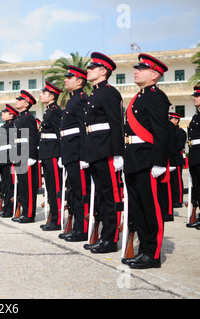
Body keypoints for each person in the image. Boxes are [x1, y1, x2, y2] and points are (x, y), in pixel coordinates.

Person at [122, 54, 171, 269]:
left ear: (153, 75)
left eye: (141, 68)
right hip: (133, 157)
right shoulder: (139, 97)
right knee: (138, 208)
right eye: (137, 68)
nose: (136, 71)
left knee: (150, 208)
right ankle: (143, 250)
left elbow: (162, 131)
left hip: (147, 159)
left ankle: (153, 254)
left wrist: (159, 162)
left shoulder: (156, 97)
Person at [83, 52, 124, 253]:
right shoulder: (95, 93)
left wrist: (118, 153)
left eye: (92, 68)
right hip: (94, 150)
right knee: (100, 196)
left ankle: (111, 238)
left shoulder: (109, 92)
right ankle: (104, 236)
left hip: (106, 150)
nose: (88, 70)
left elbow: (116, 124)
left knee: (110, 196)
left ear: (103, 71)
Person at [58, 66, 91, 242]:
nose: (65, 80)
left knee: (81, 192)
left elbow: (83, 129)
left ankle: (83, 228)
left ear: (79, 81)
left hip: (78, 152)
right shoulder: (72, 99)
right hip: (70, 151)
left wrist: (84, 156)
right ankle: (77, 227)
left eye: (69, 77)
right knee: (73, 192)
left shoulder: (81, 99)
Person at [38, 81, 63, 231]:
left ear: (52, 96)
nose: (41, 95)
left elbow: (60, 134)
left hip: (53, 153)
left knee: (55, 187)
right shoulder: (49, 110)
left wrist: (61, 154)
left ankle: (57, 219)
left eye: (44, 93)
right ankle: (53, 217)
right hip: (47, 153)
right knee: (49, 187)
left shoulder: (55, 111)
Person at [12, 90, 39, 223]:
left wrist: (32, 155)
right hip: (19, 153)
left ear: (26, 103)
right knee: (22, 185)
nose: (17, 101)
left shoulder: (28, 117)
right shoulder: (19, 117)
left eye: (20, 99)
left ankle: (29, 214)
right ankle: (24, 212)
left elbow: (32, 137)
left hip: (26, 153)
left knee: (28, 186)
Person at [0, 104, 19, 218]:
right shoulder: (4, 126)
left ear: (11, 114)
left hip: (9, 158)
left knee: (9, 185)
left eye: (5, 112)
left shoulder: (12, 126)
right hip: (2, 158)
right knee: (4, 185)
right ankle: (5, 207)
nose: (2, 114)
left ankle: (10, 209)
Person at [187, 86, 200, 229]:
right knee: (197, 187)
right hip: (195, 155)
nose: (194, 98)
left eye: (197, 96)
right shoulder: (196, 116)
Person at [167, 112, 186, 210]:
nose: (169, 120)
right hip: (169, 159)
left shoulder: (180, 131)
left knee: (177, 181)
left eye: (171, 118)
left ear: (177, 120)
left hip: (176, 159)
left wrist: (170, 150)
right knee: (169, 181)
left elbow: (179, 145)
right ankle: (171, 199)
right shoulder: (168, 130)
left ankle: (178, 200)